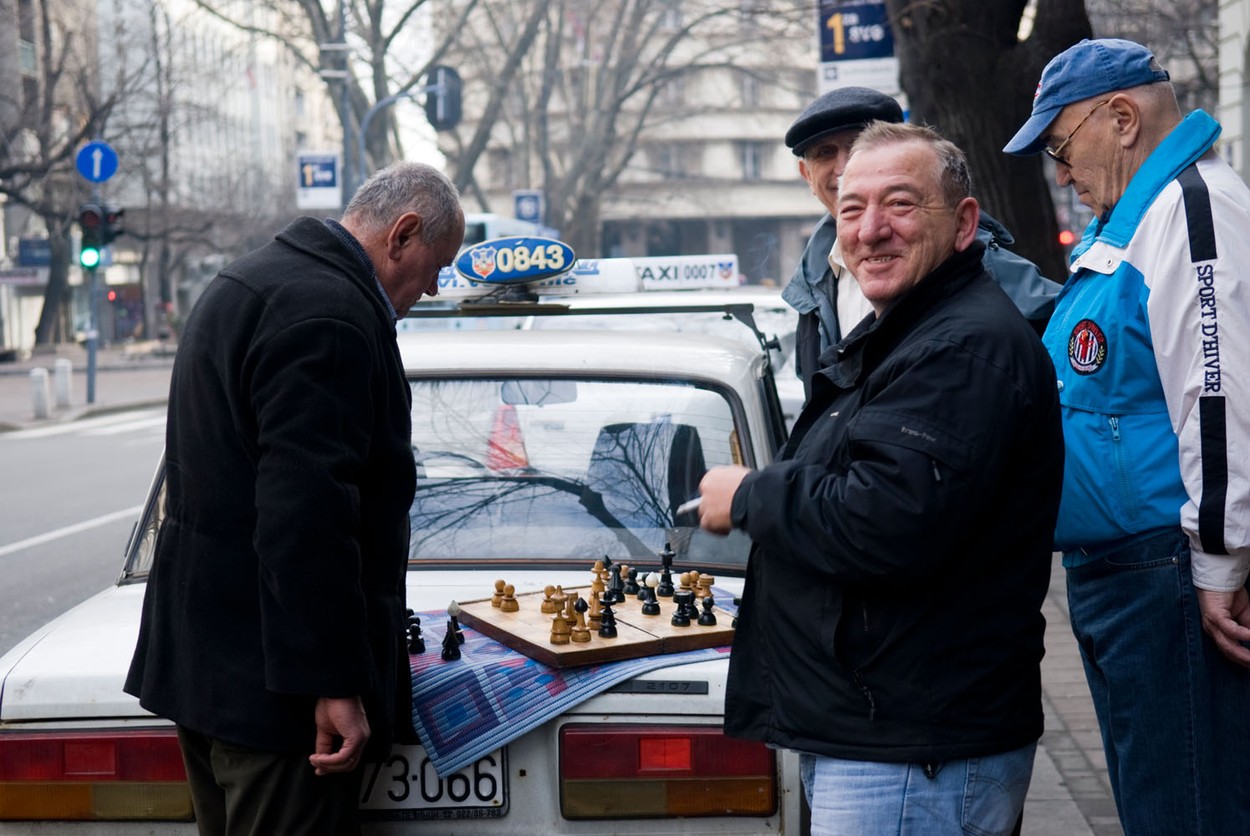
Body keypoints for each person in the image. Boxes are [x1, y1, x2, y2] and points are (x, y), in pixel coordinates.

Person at [694, 122, 1063, 835]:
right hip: (895, 738)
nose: (869, 230)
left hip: (913, 753)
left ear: (962, 225)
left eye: (899, 204)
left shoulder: (962, 348)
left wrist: (749, 494)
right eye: (852, 208)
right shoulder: (920, 329)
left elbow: (887, 521)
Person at [124, 162, 464, 835]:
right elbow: (305, 514)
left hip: (211, 668)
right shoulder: (331, 315)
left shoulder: (249, 280)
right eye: (436, 264)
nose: (432, 285)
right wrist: (333, 680)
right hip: (277, 696)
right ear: (402, 234)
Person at [1003, 38, 1250, 834]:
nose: (1061, 174)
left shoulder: (1190, 208)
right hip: (1129, 572)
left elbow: (1218, 396)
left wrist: (1219, 560)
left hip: (1169, 575)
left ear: (1121, 118)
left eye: (1060, 148)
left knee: (1189, 811)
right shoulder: (1141, 218)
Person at [782, 86, 1061, 400]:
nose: (844, 167)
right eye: (825, 153)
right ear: (806, 174)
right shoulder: (811, 286)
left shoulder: (978, 264)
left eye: (859, 147)